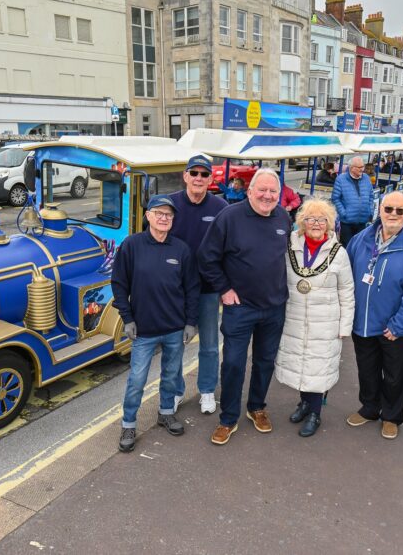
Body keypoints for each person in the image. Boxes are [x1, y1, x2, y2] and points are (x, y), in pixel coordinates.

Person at [198, 169, 291, 445]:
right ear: (250, 191)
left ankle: (256, 407)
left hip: (274, 307)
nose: (267, 195)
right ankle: (228, 418)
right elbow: (207, 257)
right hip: (240, 308)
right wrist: (224, 289)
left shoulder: (283, 217)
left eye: (273, 191)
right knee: (234, 364)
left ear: (279, 194)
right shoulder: (229, 217)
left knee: (265, 361)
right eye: (261, 190)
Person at [112, 195, 200, 452]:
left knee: (171, 376)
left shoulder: (181, 250)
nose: (164, 218)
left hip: (174, 329)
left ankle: (165, 413)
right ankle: (129, 423)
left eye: (168, 215)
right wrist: (127, 318)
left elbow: (192, 289)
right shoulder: (132, 245)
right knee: (137, 380)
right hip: (144, 331)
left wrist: (190, 323)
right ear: (148, 216)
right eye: (158, 213)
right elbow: (119, 284)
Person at [345, 191, 403, 440]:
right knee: (367, 369)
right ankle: (370, 407)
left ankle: (391, 416)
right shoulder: (360, 239)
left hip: (394, 326)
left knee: (395, 375)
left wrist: (401, 324)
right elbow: (345, 276)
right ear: (380, 209)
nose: (393, 214)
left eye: (400, 211)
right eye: (389, 209)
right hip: (362, 323)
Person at [275, 197, 354, 437]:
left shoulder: (339, 253)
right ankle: (305, 403)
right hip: (295, 317)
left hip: (326, 322)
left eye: (322, 219)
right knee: (301, 364)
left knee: (318, 369)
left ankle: (315, 413)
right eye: (311, 219)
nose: (316, 224)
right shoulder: (290, 246)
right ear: (302, 222)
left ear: (329, 223)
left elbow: (347, 291)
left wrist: (345, 326)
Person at [169, 155, 229, 415]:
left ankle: (206, 391)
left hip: (207, 290)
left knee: (209, 344)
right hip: (175, 290)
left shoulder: (220, 207)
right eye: (194, 173)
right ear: (185, 176)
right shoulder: (169, 204)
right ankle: (175, 391)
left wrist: (224, 286)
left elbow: (228, 249)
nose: (198, 178)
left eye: (204, 174)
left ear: (210, 179)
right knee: (174, 345)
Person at [331, 156, 374, 248]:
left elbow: (371, 196)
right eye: (359, 167)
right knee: (347, 247)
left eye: (363, 166)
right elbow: (335, 198)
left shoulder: (366, 178)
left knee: (360, 248)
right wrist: (344, 213)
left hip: (363, 221)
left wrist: (370, 211)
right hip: (347, 222)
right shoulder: (341, 179)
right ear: (352, 168)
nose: (362, 169)